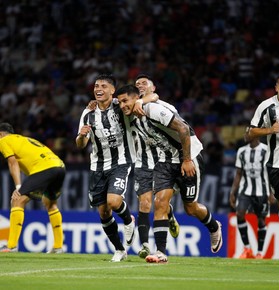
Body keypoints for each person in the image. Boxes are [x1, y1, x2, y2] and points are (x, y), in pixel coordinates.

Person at [115, 84, 223, 263]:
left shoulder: (152, 109)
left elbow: (183, 128)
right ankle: (161, 252)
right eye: (121, 102)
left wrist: (187, 160)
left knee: (190, 208)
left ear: (136, 98)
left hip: (190, 157)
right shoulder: (132, 116)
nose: (123, 105)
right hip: (166, 160)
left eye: (126, 101)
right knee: (160, 202)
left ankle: (213, 226)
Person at [76, 74, 158, 262]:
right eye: (96, 86)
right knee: (104, 212)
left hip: (121, 161)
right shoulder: (88, 113)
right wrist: (81, 136)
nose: (98, 89)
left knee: (113, 201)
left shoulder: (121, 104)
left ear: (112, 90)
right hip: (97, 165)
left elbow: (153, 97)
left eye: (104, 86)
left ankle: (128, 220)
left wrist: (140, 102)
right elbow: (80, 144)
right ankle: (120, 249)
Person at [0, 122, 65, 253]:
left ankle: (11, 246)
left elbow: (12, 163)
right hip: (59, 166)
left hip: (44, 168)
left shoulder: (4, 141)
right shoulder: (24, 139)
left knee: (17, 200)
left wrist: (18, 186)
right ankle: (58, 247)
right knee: (50, 203)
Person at [134, 74, 180, 258]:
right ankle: (145, 245)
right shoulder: (130, 107)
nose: (139, 86)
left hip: (164, 160)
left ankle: (170, 215)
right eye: (137, 84)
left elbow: (155, 99)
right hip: (142, 162)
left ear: (153, 88)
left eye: (144, 83)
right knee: (144, 203)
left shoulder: (166, 107)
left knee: (159, 203)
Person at [249, 72, 279, 262]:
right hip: (274, 164)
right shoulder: (266, 106)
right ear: (276, 88)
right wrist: (269, 130)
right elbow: (250, 133)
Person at [229, 127, 271, 259]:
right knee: (240, 214)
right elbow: (238, 174)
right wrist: (232, 192)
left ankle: (259, 253)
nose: (245, 135)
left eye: (248, 132)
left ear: (256, 135)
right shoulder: (242, 152)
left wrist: (273, 191)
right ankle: (247, 249)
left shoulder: (266, 150)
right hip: (245, 190)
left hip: (262, 191)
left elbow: (271, 172)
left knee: (261, 220)